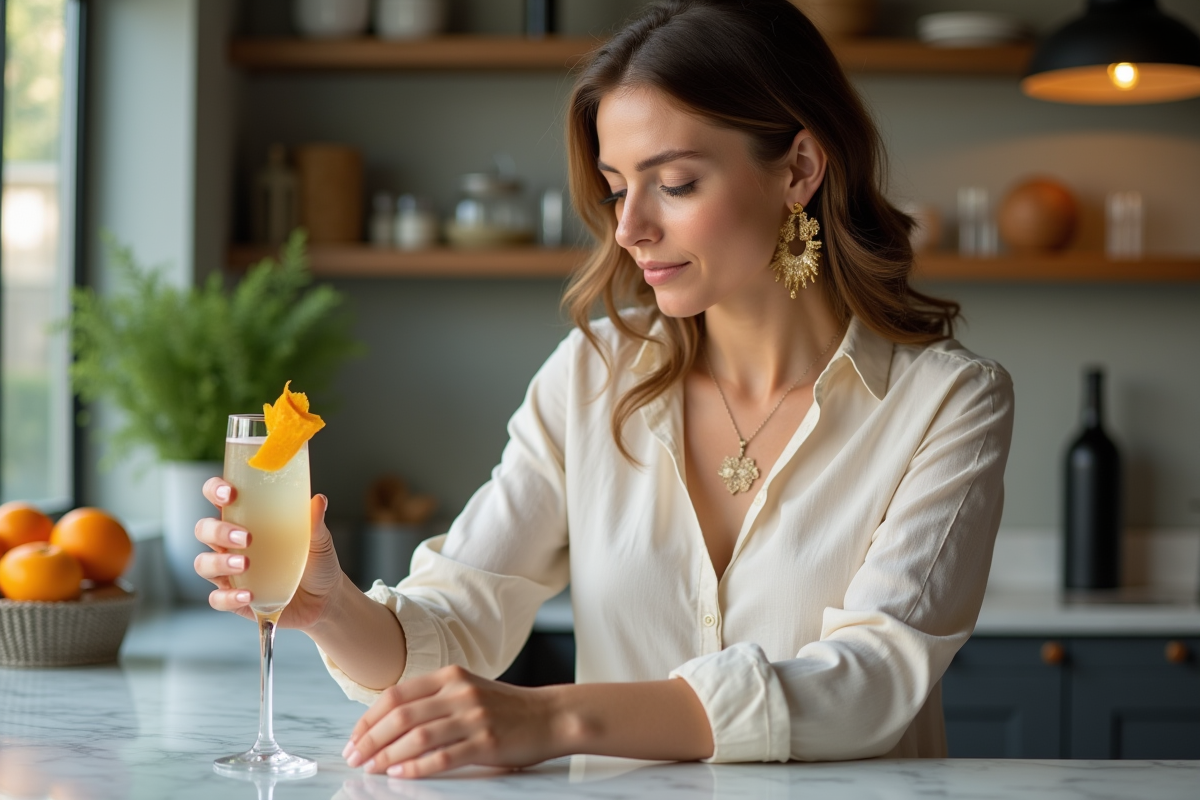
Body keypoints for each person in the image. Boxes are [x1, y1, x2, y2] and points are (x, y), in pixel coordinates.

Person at [195, 0, 1014, 779]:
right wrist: (331, 605)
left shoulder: (948, 404)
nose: (629, 229)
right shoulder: (592, 374)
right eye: (618, 187)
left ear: (797, 168)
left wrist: (553, 719)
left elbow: (869, 684)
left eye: (677, 183)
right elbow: (456, 621)